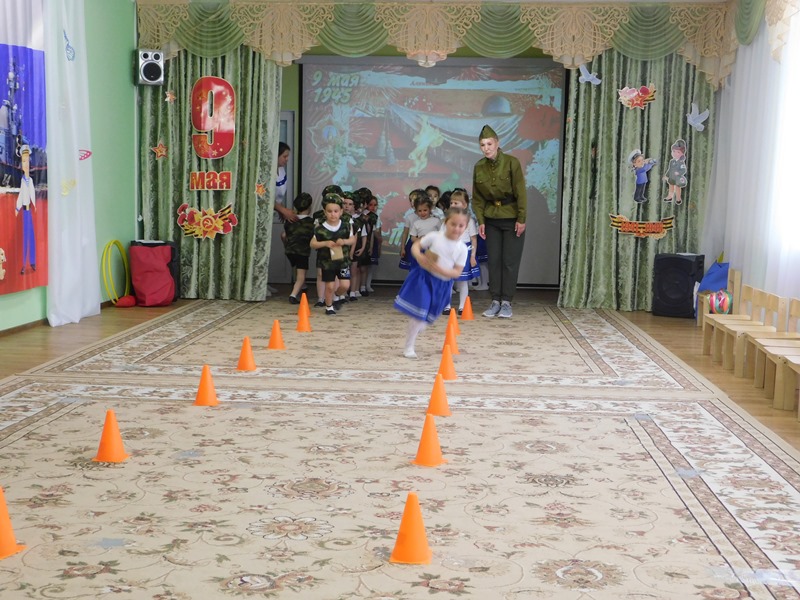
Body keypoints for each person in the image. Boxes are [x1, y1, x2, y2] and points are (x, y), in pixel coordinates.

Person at [394, 207, 469, 359]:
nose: (456, 228)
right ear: (446, 222)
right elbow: (416, 246)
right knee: (419, 312)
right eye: (453, 224)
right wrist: (419, 256)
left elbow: (457, 272)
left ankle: (421, 322)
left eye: (461, 226)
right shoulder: (435, 237)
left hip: (442, 285)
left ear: (466, 227)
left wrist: (441, 270)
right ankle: (409, 346)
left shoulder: (462, 248)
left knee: (429, 316)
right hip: (424, 278)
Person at [472, 125, 527, 319]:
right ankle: (495, 301)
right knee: (494, 261)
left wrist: (521, 219)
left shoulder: (512, 163)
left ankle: (506, 302)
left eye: (489, 144)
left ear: (497, 143)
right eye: (482, 145)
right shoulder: (479, 167)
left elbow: (521, 192)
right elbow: (477, 198)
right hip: (491, 219)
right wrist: (481, 220)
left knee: (509, 262)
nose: (486, 148)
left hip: (511, 217)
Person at [310, 193, 356, 315]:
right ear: (325, 212)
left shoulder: (346, 226)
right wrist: (325, 243)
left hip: (343, 261)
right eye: (329, 211)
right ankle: (329, 306)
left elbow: (352, 240)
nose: (333, 214)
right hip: (327, 263)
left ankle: (336, 296)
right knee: (329, 286)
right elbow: (313, 244)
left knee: (345, 285)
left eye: (336, 211)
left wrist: (344, 241)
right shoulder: (320, 229)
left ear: (341, 212)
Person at [441, 189, 480, 315]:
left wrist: (473, 256)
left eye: (456, 203)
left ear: (464, 205)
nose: (453, 205)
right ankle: (446, 305)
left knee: (463, 281)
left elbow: (474, 239)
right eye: (451, 203)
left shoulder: (470, 221)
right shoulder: (446, 220)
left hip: (464, 253)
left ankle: (463, 306)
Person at [282, 192, 315, 304]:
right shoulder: (311, 223)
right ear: (309, 207)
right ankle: (293, 295)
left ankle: (304, 287)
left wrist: (286, 246)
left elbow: (283, 235)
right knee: (301, 275)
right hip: (302, 252)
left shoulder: (290, 220)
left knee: (297, 270)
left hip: (290, 251)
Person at [14, 144, 36, 275]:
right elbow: (21, 195)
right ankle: (23, 264)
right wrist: (17, 207)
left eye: (27, 161)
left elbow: (32, 193)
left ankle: (32, 262)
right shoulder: (23, 181)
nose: (25, 164)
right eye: (23, 161)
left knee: (31, 236)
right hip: (25, 211)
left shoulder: (30, 180)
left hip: (30, 211)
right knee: (25, 237)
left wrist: (35, 205)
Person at [663, 139, 687, 205]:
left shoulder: (681, 162)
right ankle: (670, 197)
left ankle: (678, 198)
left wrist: (679, 173)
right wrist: (666, 175)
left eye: (678, 152)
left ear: (682, 154)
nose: (675, 153)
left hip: (677, 179)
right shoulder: (672, 161)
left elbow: (684, 170)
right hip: (671, 178)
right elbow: (670, 169)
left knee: (677, 188)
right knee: (671, 188)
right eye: (674, 151)